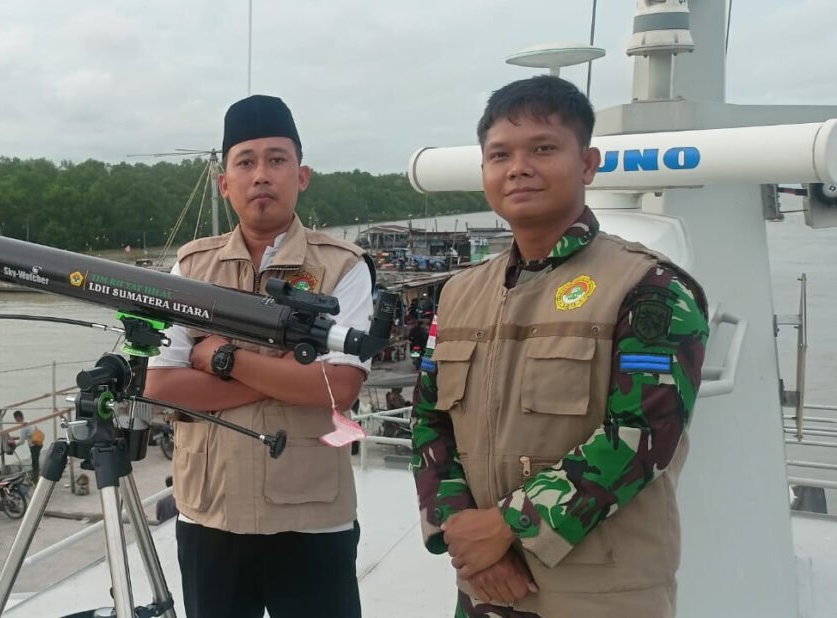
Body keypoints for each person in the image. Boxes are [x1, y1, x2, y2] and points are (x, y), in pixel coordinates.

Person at [411, 75, 710, 618]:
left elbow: (643, 434)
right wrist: (464, 533)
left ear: (588, 164)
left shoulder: (649, 288)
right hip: (485, 589)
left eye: (543, 149)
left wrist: (508, 527)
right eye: (500, 154)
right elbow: (430, 419)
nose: (518, 167)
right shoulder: (458, 295)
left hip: (601, 594)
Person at [144, 94, 372, 618]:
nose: (261, 174)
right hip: (210, 514)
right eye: (245, 162)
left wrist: (224, 359)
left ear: (302, 175)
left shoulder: (344, 268)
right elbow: (161, 386)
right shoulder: (190, 269)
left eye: (276, 159)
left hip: (311, 517)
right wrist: (289, 371)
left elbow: (340, 386)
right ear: (225, 183)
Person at [8, 410, 43, 482]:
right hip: (39, 443)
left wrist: (14, 445)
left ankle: (35, 479)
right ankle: (36, 477)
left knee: (35, 462)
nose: (16, 420)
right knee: (35, 461)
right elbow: (27, 435)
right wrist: (15, 438)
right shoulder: (29, 422)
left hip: (33, 445)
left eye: (16, 418)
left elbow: (22, 442)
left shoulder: (23, 428)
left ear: (19, 417)